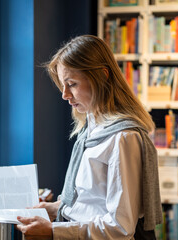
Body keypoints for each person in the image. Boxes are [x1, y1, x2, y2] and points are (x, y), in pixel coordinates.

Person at [17, 35, 162, 239]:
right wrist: (55, 208)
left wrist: (53, 231)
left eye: (72, 84)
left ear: (102, 76)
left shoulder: (123, 138)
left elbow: (119, 227)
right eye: (62, 84)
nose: (64, 94)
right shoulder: (91, 127)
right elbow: (92, 201)